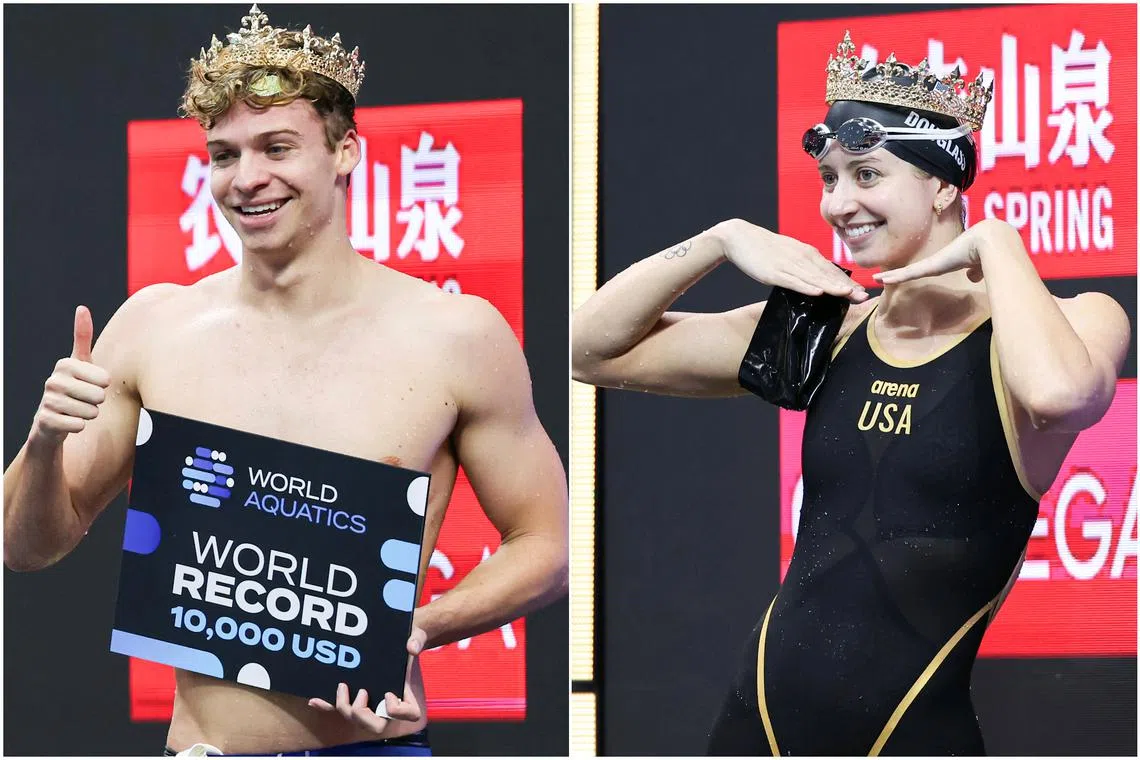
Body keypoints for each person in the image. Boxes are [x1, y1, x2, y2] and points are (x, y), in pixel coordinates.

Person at [3, 5, 568, 756]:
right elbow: (27, 547)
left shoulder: (456, 335)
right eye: (224, 154)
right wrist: (44, 441)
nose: (248, 179)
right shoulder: (154, 326)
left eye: (277, 147)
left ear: (346, 152)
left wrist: (420, 625)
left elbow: (547, 544)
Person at [573, 31, 1129, 756]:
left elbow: (1058, 396)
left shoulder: (1076, 321)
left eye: (866, 175)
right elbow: (590, 349)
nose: (839, 203)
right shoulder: (829, 327)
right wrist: (719, 239)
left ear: (943, 184)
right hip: (754, 727)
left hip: (910, 736)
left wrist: (994, 243)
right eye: (829, 178)